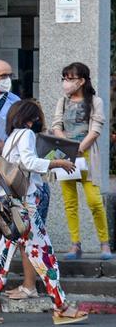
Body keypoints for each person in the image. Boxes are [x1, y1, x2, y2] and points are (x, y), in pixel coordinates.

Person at [0, 100, 88, 324]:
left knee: (2, 256)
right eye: (36, 118)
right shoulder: (25, 134)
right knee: (44, 254)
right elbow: (28, 162)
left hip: (13, 204)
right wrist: (58, 163)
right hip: (26, 206)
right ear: (30, 119)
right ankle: (61, 305)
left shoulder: (13, 136)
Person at [52, 62, 111, 259]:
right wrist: (65, 144)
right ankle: (75, 244)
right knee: (70, 202)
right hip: (65, 155)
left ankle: (105, 244)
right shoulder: (62, 101)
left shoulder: (95, 101)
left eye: (70, 78)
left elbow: (95, 129)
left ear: (82, 81)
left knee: (94, 201)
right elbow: (56, 125)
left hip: (85, 155)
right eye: (65, 78)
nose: (66, 82)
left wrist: (79, 148)